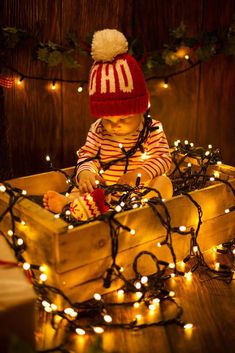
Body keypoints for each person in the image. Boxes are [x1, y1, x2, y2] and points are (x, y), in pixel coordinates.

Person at [43, 29, 173, 220]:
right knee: (86, 191)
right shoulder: (98, 129)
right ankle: (70, 204)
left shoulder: (151, 129)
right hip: (107, 192)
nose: (114, 126)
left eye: (123, 119)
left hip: (140, 191)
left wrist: (140, 174)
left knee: (164, 183)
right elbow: (87, 154)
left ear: (141, 109)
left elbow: (163, 158)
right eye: (108, 120)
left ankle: (146, 209)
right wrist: (86, 174)